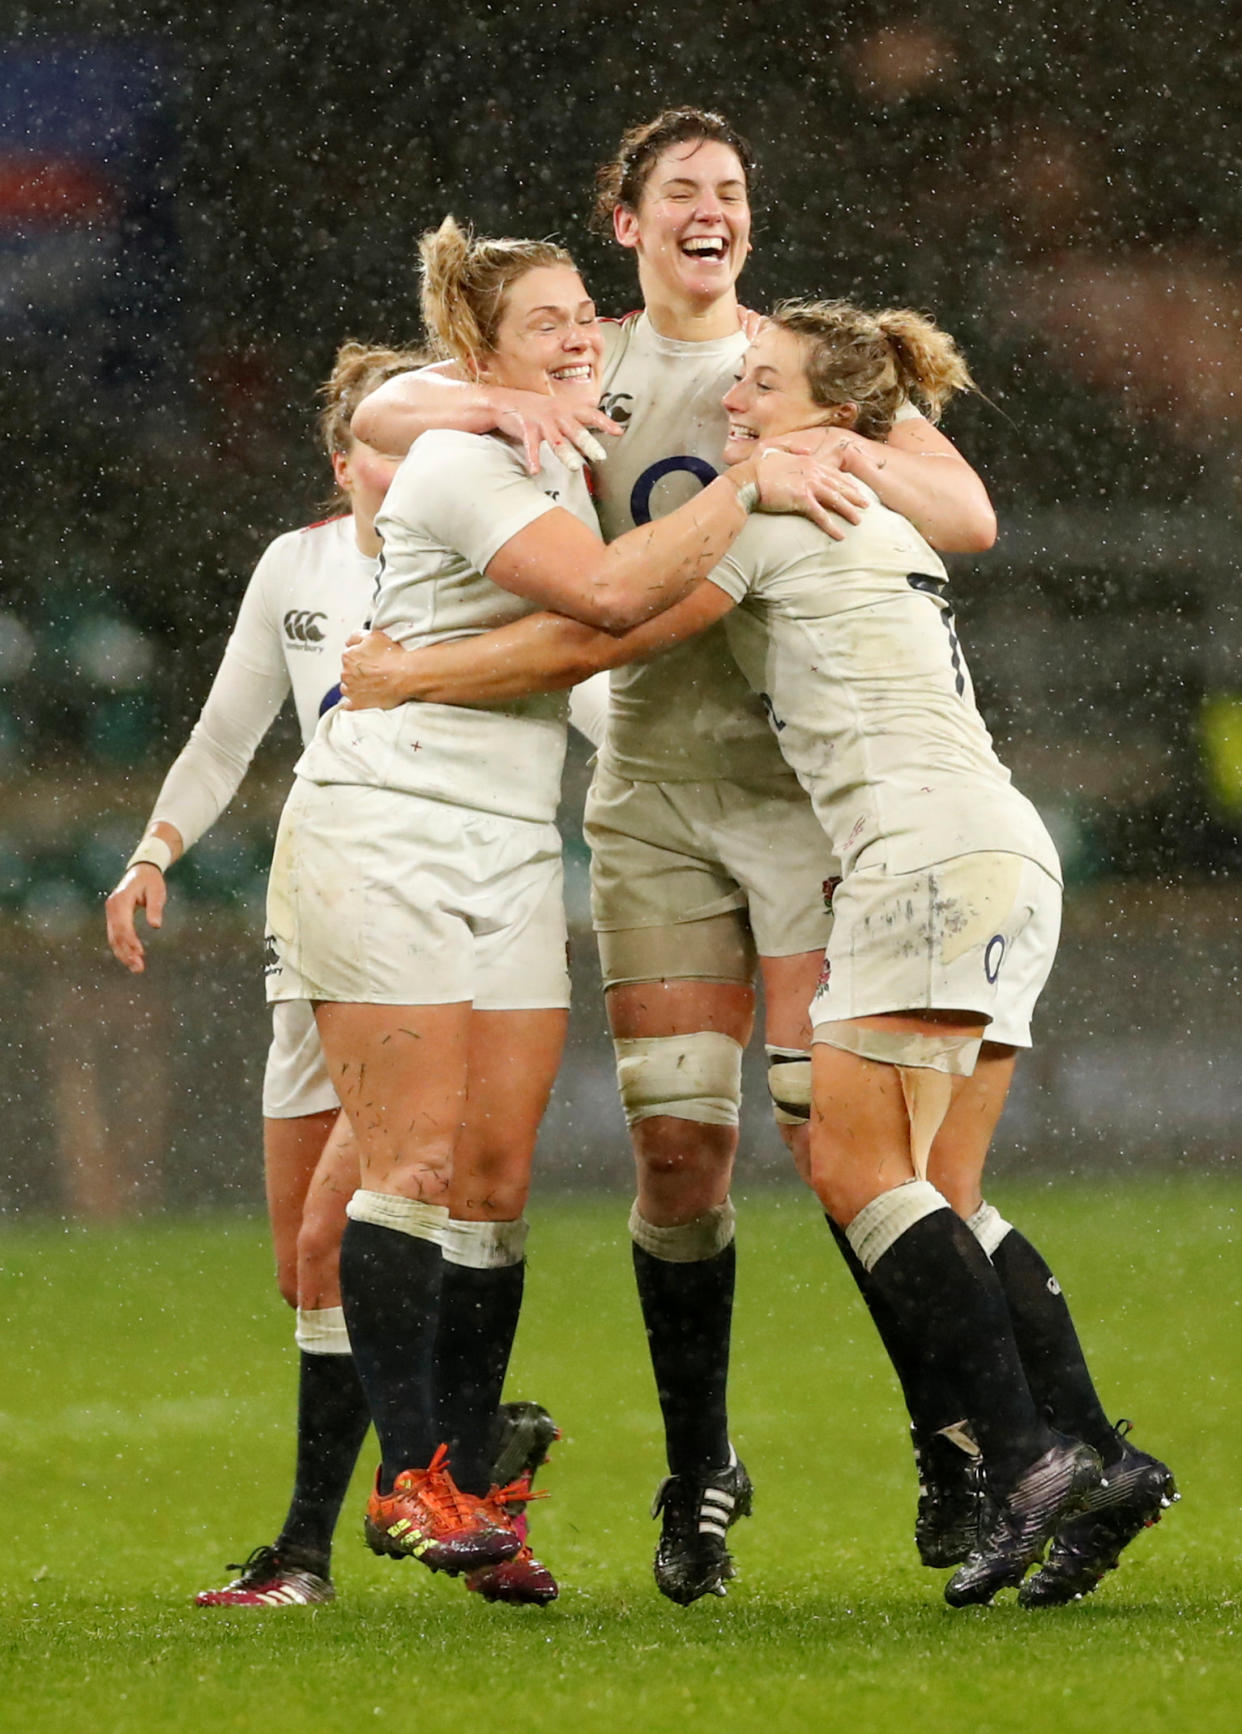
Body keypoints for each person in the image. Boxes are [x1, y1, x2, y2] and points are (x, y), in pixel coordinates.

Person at [343, 299, 1177, 1609]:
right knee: (938, 1188)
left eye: (761, 385)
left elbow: (605, 625)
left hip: (914, 860)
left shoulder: (783, 511)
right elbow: (959, 509)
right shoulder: (868, 498)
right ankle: (1099, 1456)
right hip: (1004, 847)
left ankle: (1018, 1463)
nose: (732, 404)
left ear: (827, 412)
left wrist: (409, 672)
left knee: (852, 1165)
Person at [349, 106, 999, 1606]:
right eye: (681, 191)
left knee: (837, 1147)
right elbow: (378, 421)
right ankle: (700, 1467)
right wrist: (478, 411)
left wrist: (845, 443)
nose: (714, 208)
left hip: (789, 801)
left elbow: (966, 510)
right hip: (645, 793)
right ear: (626, 217)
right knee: (673, 1147)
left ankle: (951, 1441)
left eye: (733, 189)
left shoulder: (788, 368)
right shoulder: (582, 359)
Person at [265, 217, 846, 1599]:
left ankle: (470, 1478)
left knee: (494, 1180)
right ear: (483, 351)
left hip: (513, 843)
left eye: (584, 308)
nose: (581, 331)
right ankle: (412, 1476)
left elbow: (608, 629)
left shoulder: (554, 446)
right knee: (407, 1163)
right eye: (545, 322)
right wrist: (753, 482)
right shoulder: (468, 455)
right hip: (388, 823)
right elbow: (596, 596)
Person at [105, 341, 575, 1609]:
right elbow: (226, 723)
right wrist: (156, 848)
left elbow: (586, 687)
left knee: (354, 1223)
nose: (411, 468)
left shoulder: (489, 558)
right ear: (346, 461)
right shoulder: (298, 567)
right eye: (389, 447)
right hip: (318, 910)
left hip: (418, 902)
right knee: (307, 1269)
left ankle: (357, 1524)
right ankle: (467, 1470)